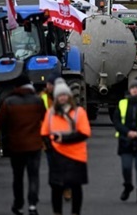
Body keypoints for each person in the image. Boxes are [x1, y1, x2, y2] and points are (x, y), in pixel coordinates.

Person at [0, 73, 47, 215]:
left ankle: (18, 204)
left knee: (17, 177)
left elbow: (0, 123)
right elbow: (44, 118)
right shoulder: (37, 101)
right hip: (34, 145)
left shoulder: (9, 102)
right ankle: (32, 206)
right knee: (33, 176)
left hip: (16, 146)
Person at [41, 79, 91, 215]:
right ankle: (57, 212)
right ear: (56, 98)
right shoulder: (50, 113)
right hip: (57, 155)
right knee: (56, 187)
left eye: (65, 95)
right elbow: (44, 132)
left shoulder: (79, 112)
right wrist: (50, 147)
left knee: (76, 187)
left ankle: (75, 212)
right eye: (60, 95)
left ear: (69, 96)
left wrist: (63, 139)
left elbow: (85, 133)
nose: (62, 97)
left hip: (76, 155)